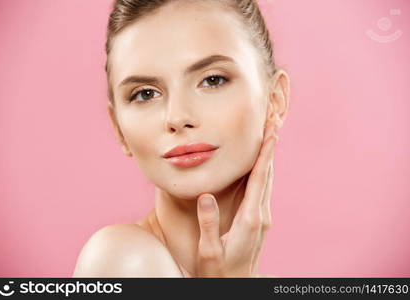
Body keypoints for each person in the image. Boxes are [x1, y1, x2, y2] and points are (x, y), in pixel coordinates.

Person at [73, 0, 290, 278]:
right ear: (118, 128)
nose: (177, 117)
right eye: (145, 94)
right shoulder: (125, 261)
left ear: (275, 100)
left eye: (212, 80)